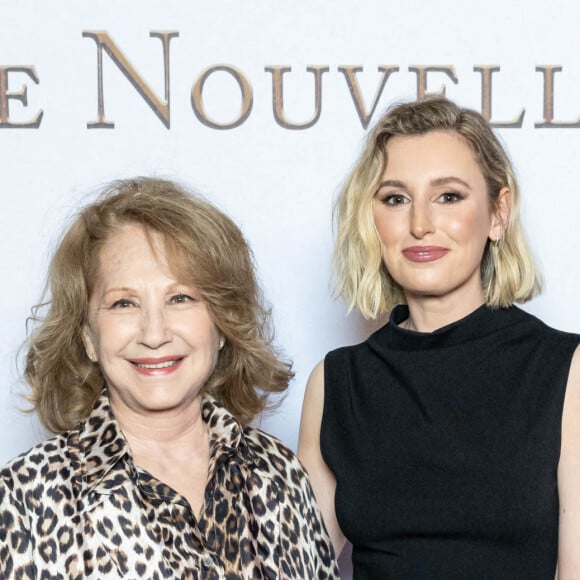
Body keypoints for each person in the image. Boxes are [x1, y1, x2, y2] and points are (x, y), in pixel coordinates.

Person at [0, 177, 339, 579]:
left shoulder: (278, 473)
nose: (155, 333)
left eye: (181, 298)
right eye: (123, 303)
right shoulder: (26, 496)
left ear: (222, 324)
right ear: (88, 337)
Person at [298, 97, 580, 579]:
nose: (420, 224)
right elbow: (296, 564)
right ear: (372, 219)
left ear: (498, 213)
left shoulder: (565, 369)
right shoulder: (337, 382)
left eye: (448, 196)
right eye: (395, 198)